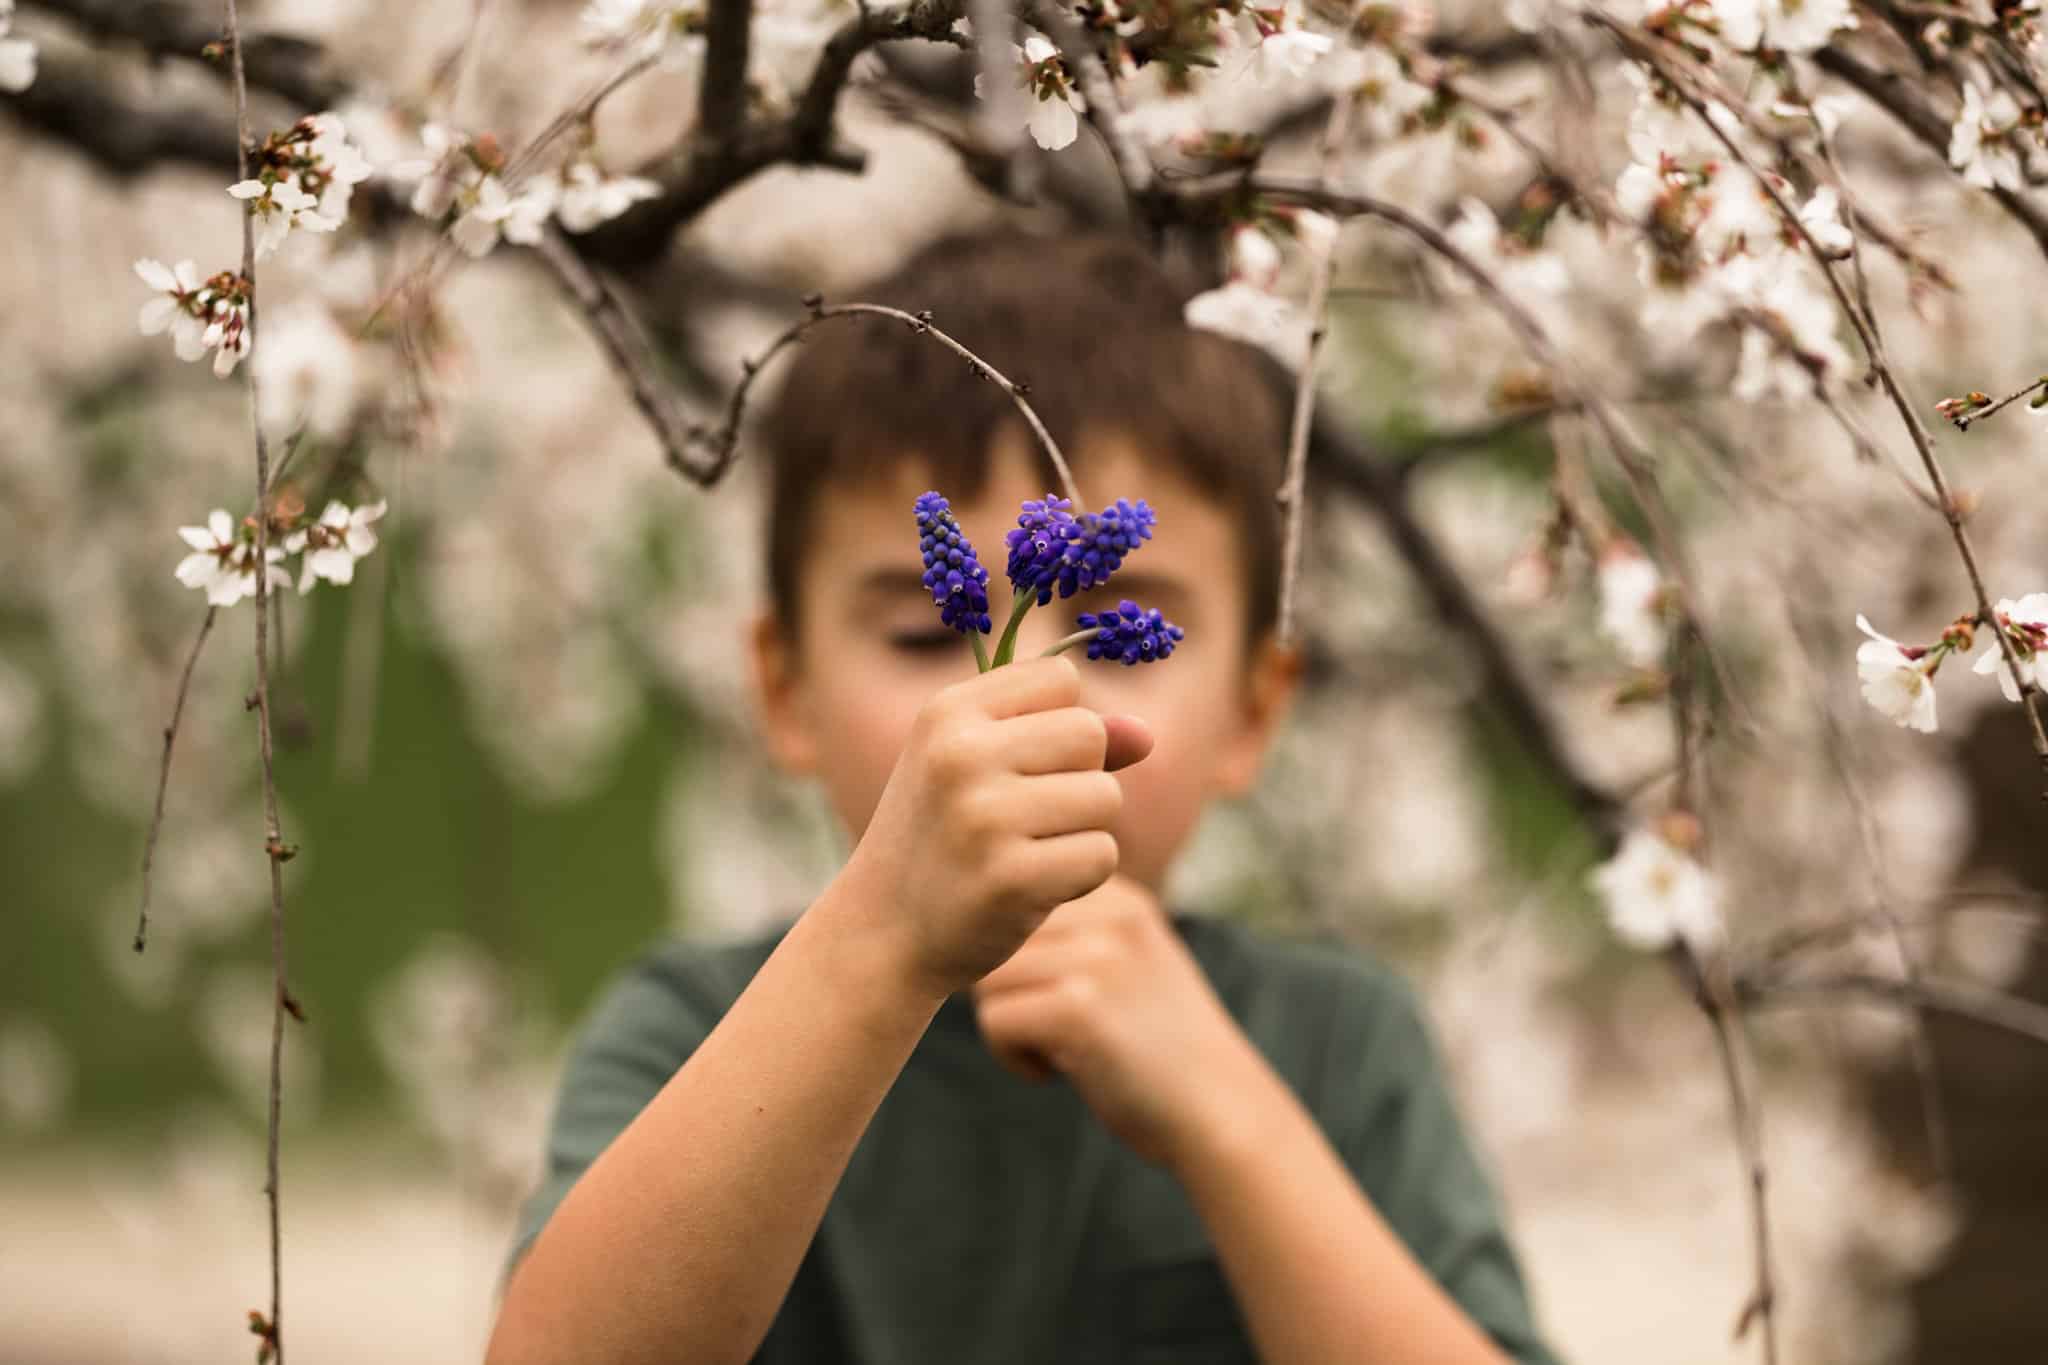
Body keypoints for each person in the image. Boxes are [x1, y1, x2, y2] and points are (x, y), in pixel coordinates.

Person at [485, 230, 1562, 1365]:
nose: (1027, 700)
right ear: (783, 688)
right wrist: (880, 944)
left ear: (1252, 708)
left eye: (1121, 628)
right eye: (918, 631)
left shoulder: (1338, 1043)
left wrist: (1225, 1116)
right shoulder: (693, 1033)